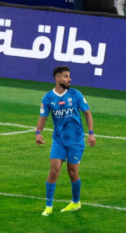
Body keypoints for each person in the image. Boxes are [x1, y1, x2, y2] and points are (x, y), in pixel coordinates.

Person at [37, 66, 96, 216]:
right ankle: (48, 206)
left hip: (76, 140)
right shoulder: (48, 98)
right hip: (59, 140)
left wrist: (91, 133)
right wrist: (38, 133)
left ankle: (76, 202)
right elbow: (43, 118)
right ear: (57, 78)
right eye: (66, 76)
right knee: (54, 170)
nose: (69, 79)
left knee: (72, 172)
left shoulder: (75, 94)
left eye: (69, 76)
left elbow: (87, 113)